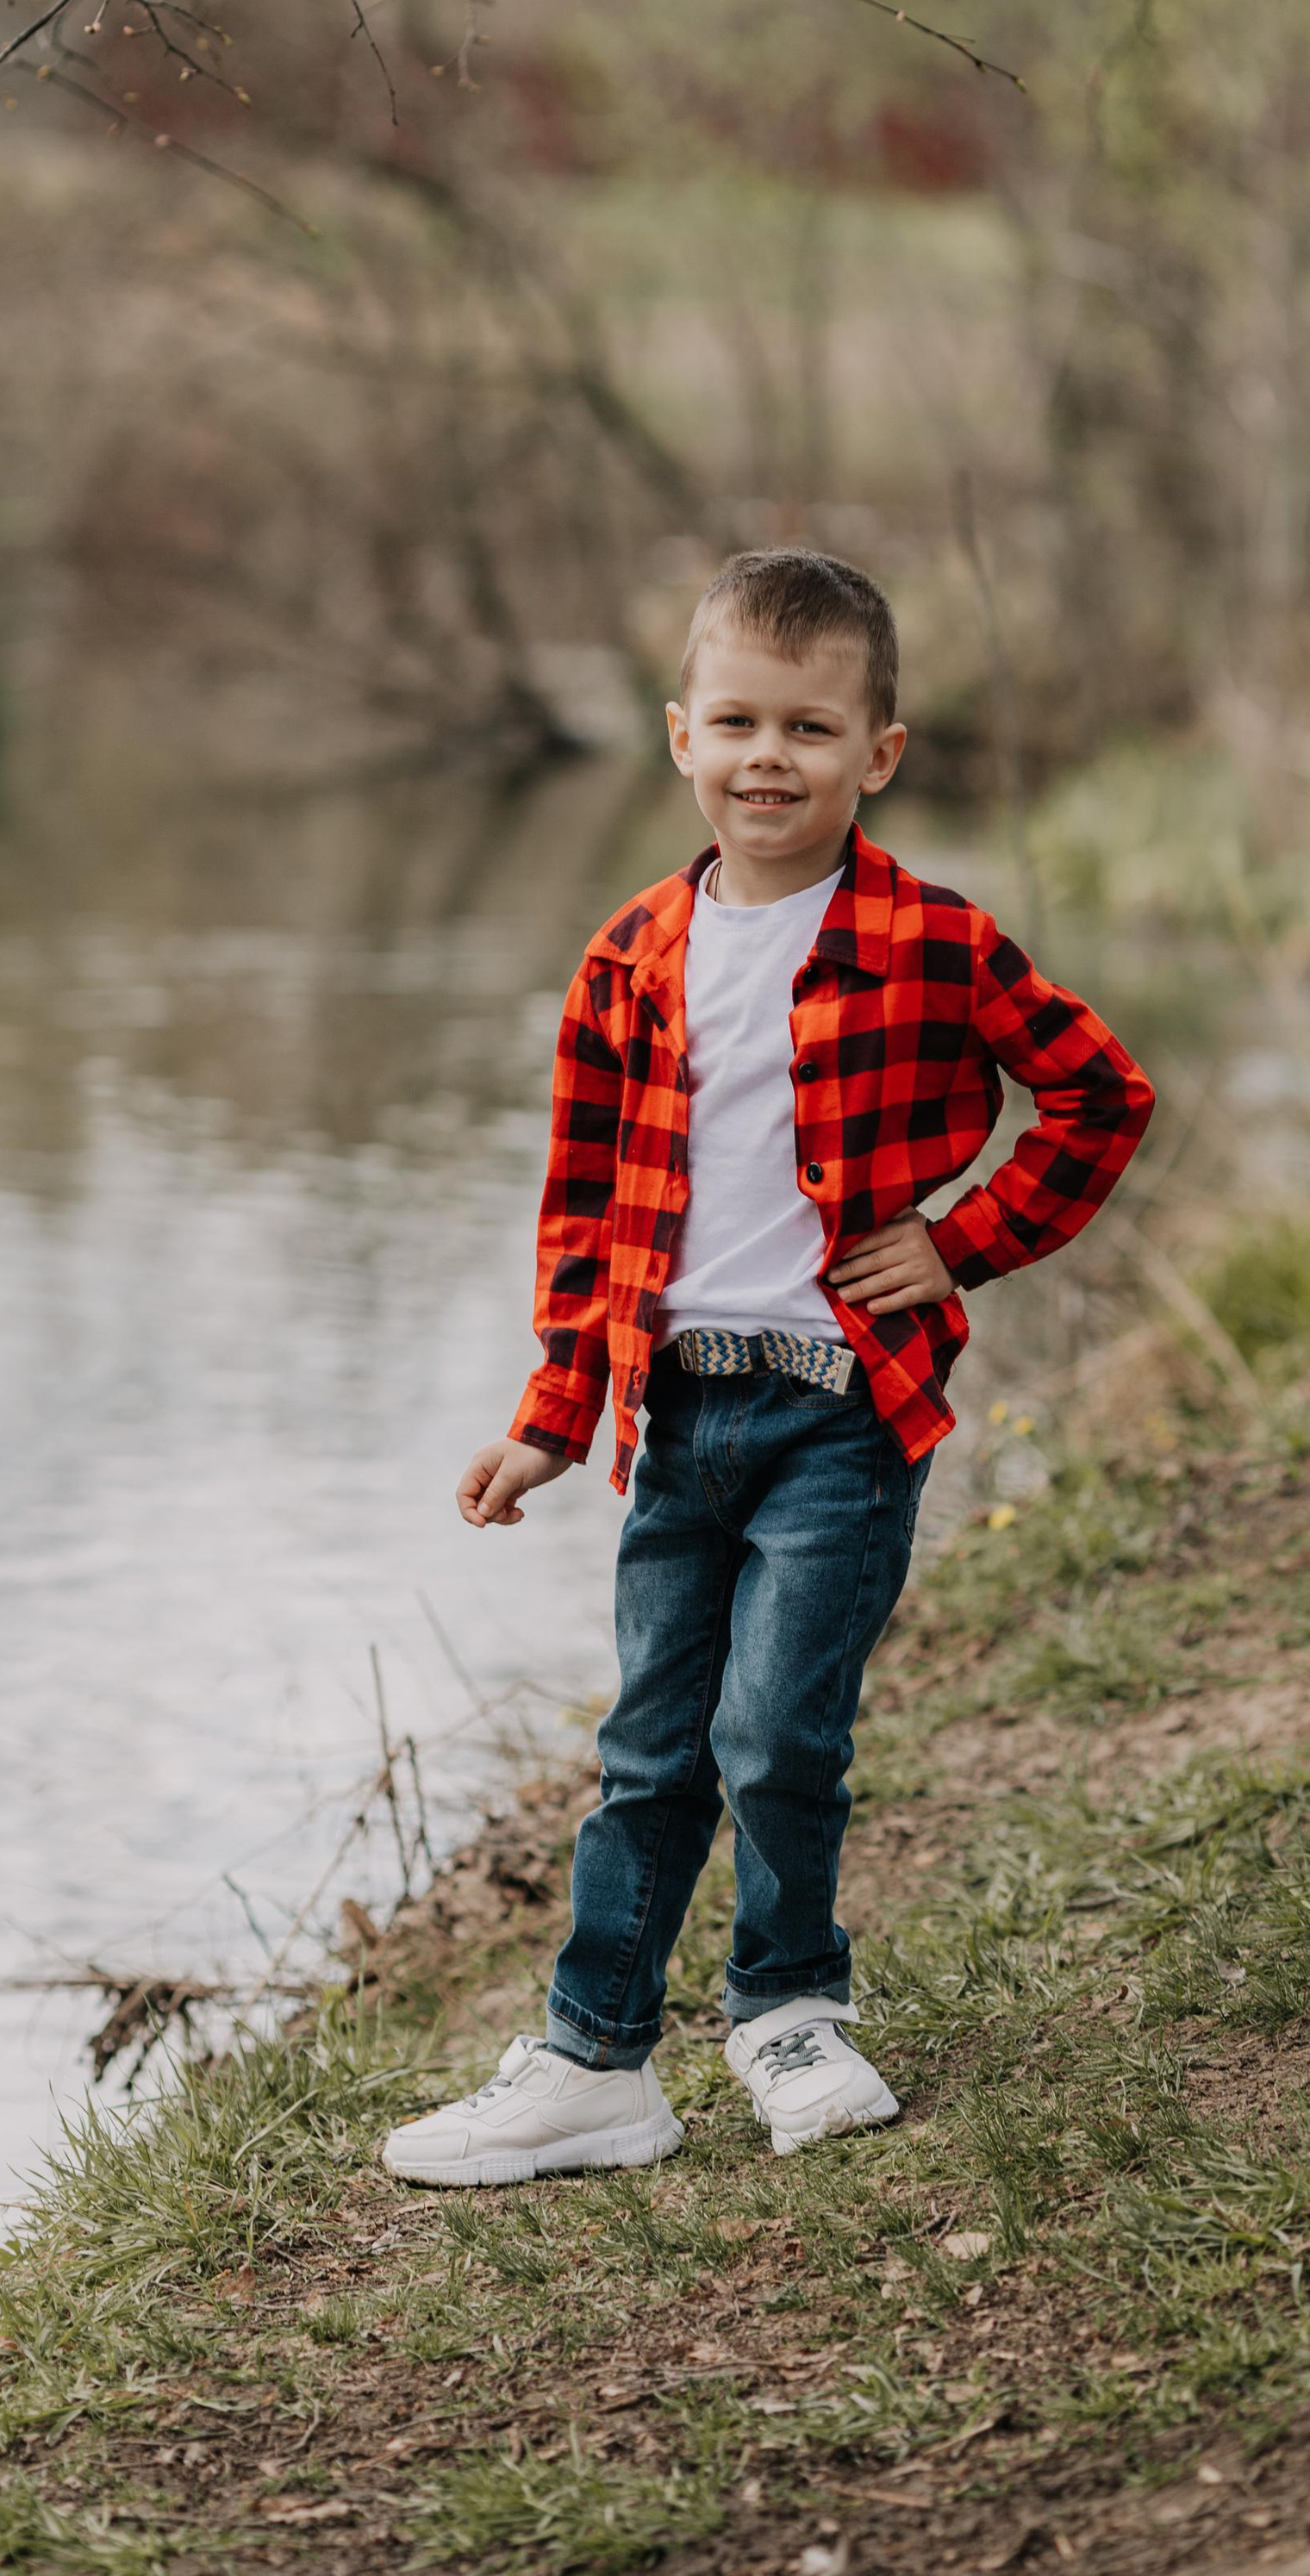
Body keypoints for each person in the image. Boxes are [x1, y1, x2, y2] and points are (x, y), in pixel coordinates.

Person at [381, 549, 1153, 2186]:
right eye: (736, 720)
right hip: (683, 1416)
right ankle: (596, 2062)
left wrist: (962, 1240)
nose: (768, 758)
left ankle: (789, 2014)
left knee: (778, 1736)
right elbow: (583, 1213)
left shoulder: (932, 941)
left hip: (846, 1412)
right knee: (650, 1745)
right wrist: (548, 1421)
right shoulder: (629, 959)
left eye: (811, 726)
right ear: (678, 735)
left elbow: (1101, 1097)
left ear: (878, 751)